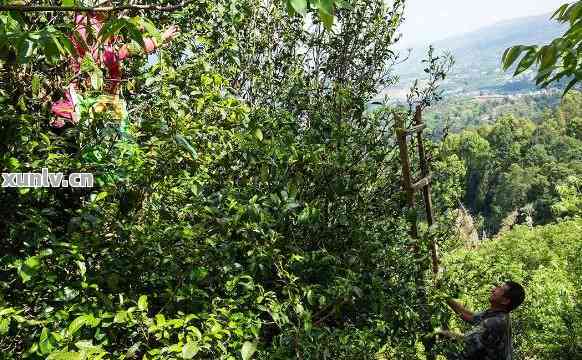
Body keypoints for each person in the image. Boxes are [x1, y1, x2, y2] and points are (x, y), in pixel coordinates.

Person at [437, 281, 525, 360]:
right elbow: (469, 315)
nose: (493, 290)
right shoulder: (497, 313)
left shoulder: (495, 322)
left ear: (505, 301)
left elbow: (464, 341)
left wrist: (436, 333)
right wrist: (444, 295)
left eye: (500, 290)